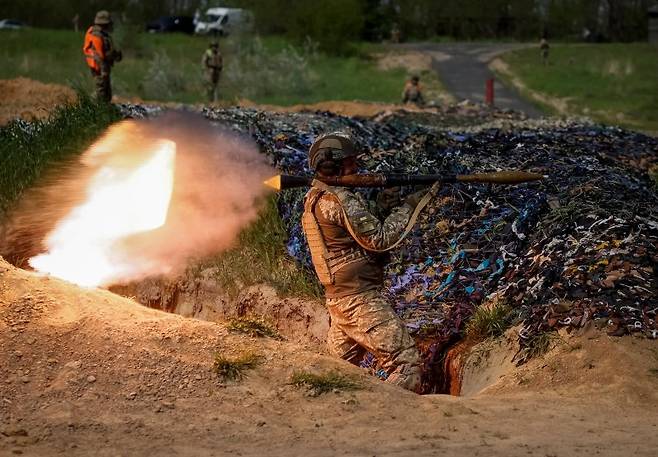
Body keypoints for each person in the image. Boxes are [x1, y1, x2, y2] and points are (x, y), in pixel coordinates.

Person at [301, 132, 435, 392]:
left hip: (340, 299)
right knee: (406, 366)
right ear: (336, 165)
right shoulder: (339, 199)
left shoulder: (316, 196)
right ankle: (390, 422)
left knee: (336, 373)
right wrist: (410, 205)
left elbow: (352, 235)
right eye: (352, 163)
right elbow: (379, 239)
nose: (358, 168)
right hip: (358, 300)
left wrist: (383, 206)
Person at [83, 10, 122, 103]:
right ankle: (89, 107)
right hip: (100, 68)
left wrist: (115, 54)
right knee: (101, 92)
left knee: (106, 94)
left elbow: (105, 51)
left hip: (102, 66)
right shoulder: (97, 35)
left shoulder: (101, 34)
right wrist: (103, 70)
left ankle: (102, 110)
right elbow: (99, 56)